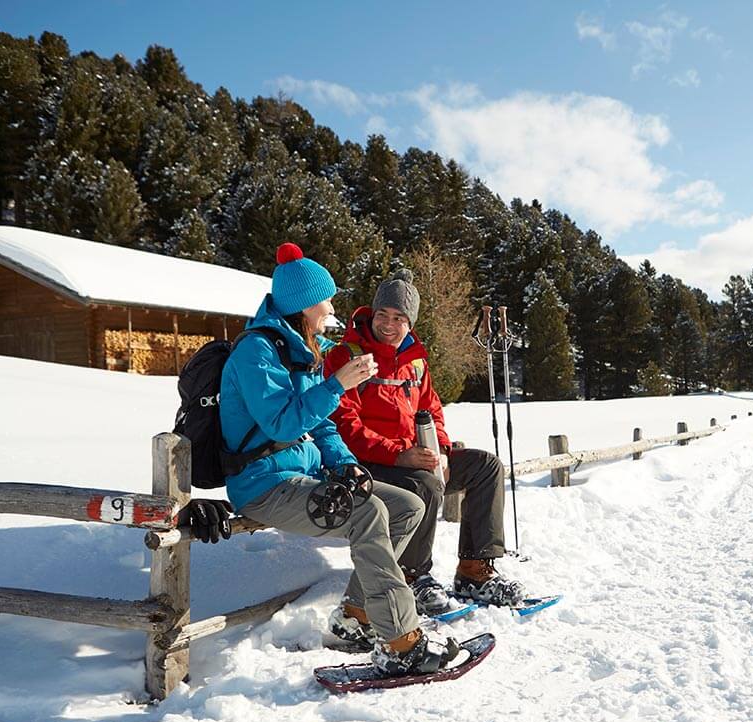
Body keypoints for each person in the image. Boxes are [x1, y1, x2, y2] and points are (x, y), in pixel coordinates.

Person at [219, 243, 456, 676]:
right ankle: (401, 640)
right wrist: (337, 385)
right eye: (325, 300)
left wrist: (347, 465)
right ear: (305, 304)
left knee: (408, 506)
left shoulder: (303, 349)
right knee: (367, 512)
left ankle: (356, 616)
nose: (331, 308)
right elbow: (281, 424)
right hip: (264, 484)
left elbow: (323, 424)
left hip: (304, 475)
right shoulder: (257, 353)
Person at [323, 269, 527, 611]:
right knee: (425, 484)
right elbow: (345, 426)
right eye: (383, 315)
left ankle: (474, 571)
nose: (388, 325)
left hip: (414, 457)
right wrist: (398, 455)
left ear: (410, 323)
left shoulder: (415, 362)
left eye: (399, 318)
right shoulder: (348, 356)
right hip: (368, 465)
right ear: (372, 314)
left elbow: (431, 410)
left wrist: (441, 451)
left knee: (486, 466)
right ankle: (412, 575)